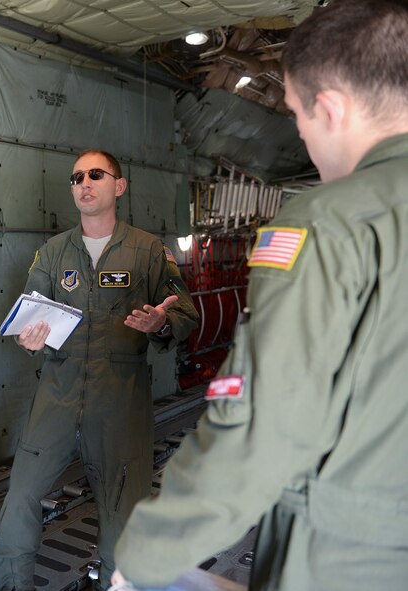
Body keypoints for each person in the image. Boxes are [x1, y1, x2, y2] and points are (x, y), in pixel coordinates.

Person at [110, 1, 408, 590]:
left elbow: (263, 424)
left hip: (355, 558)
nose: (301, 132)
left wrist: (145, 557)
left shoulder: (330, 223)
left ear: (330, 107)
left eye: (297, 114)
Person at [0, 148, 199, 590]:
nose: (84, 183)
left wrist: (161, 323)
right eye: (77, 177)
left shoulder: (148, 252)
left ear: (118, 186)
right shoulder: (51, 253)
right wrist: (30, 339)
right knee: (19, 503)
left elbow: (186, 313)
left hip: (120, 401)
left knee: (122, 521)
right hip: (57, 396)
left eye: (96, 175)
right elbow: (30, 315)